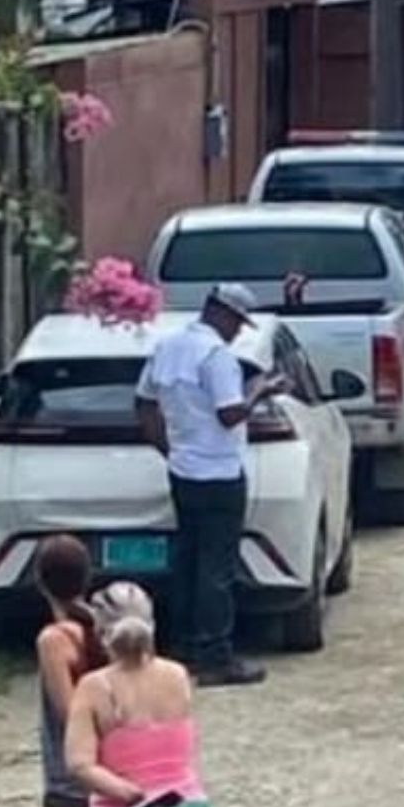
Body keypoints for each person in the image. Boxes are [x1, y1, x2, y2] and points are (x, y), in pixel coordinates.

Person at [134, 283, 287, 687]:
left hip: (183, 471)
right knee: (217, 568)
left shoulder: (168, 348)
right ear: (221, 313)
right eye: (237, 322)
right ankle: (215, 655)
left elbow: (145, 405)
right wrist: (260, 390)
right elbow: (230, 414)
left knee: (187, 560)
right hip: (220, 472)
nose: (237, 331)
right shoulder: (217, 357)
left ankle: (181, 646)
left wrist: (168, 450)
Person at [66, 582, 214, 807]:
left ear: (100, 632)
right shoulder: (177, 675)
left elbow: (79, 763)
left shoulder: (93, 688)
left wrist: (125, 791)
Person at [34, 536, 108, 807]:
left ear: (40, 582)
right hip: (114, 773)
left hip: (69, 783)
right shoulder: (107, 626)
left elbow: (69, 713)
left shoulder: (54, 640)